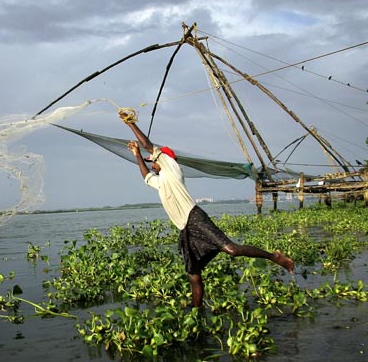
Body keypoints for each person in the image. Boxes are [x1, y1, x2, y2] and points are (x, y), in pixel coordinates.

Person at [119, 110, 294, 308]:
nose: (152, 165)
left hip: (195, 218)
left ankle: (275, 257)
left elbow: (148, 145)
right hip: (185, 228)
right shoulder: (161, 181)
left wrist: (130, 123)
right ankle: (197, 311)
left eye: (153, 161)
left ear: (164, 160)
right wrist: (136, 155)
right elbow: (146, 177)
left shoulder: (172, 168)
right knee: (193, 275)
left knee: (232, 250)